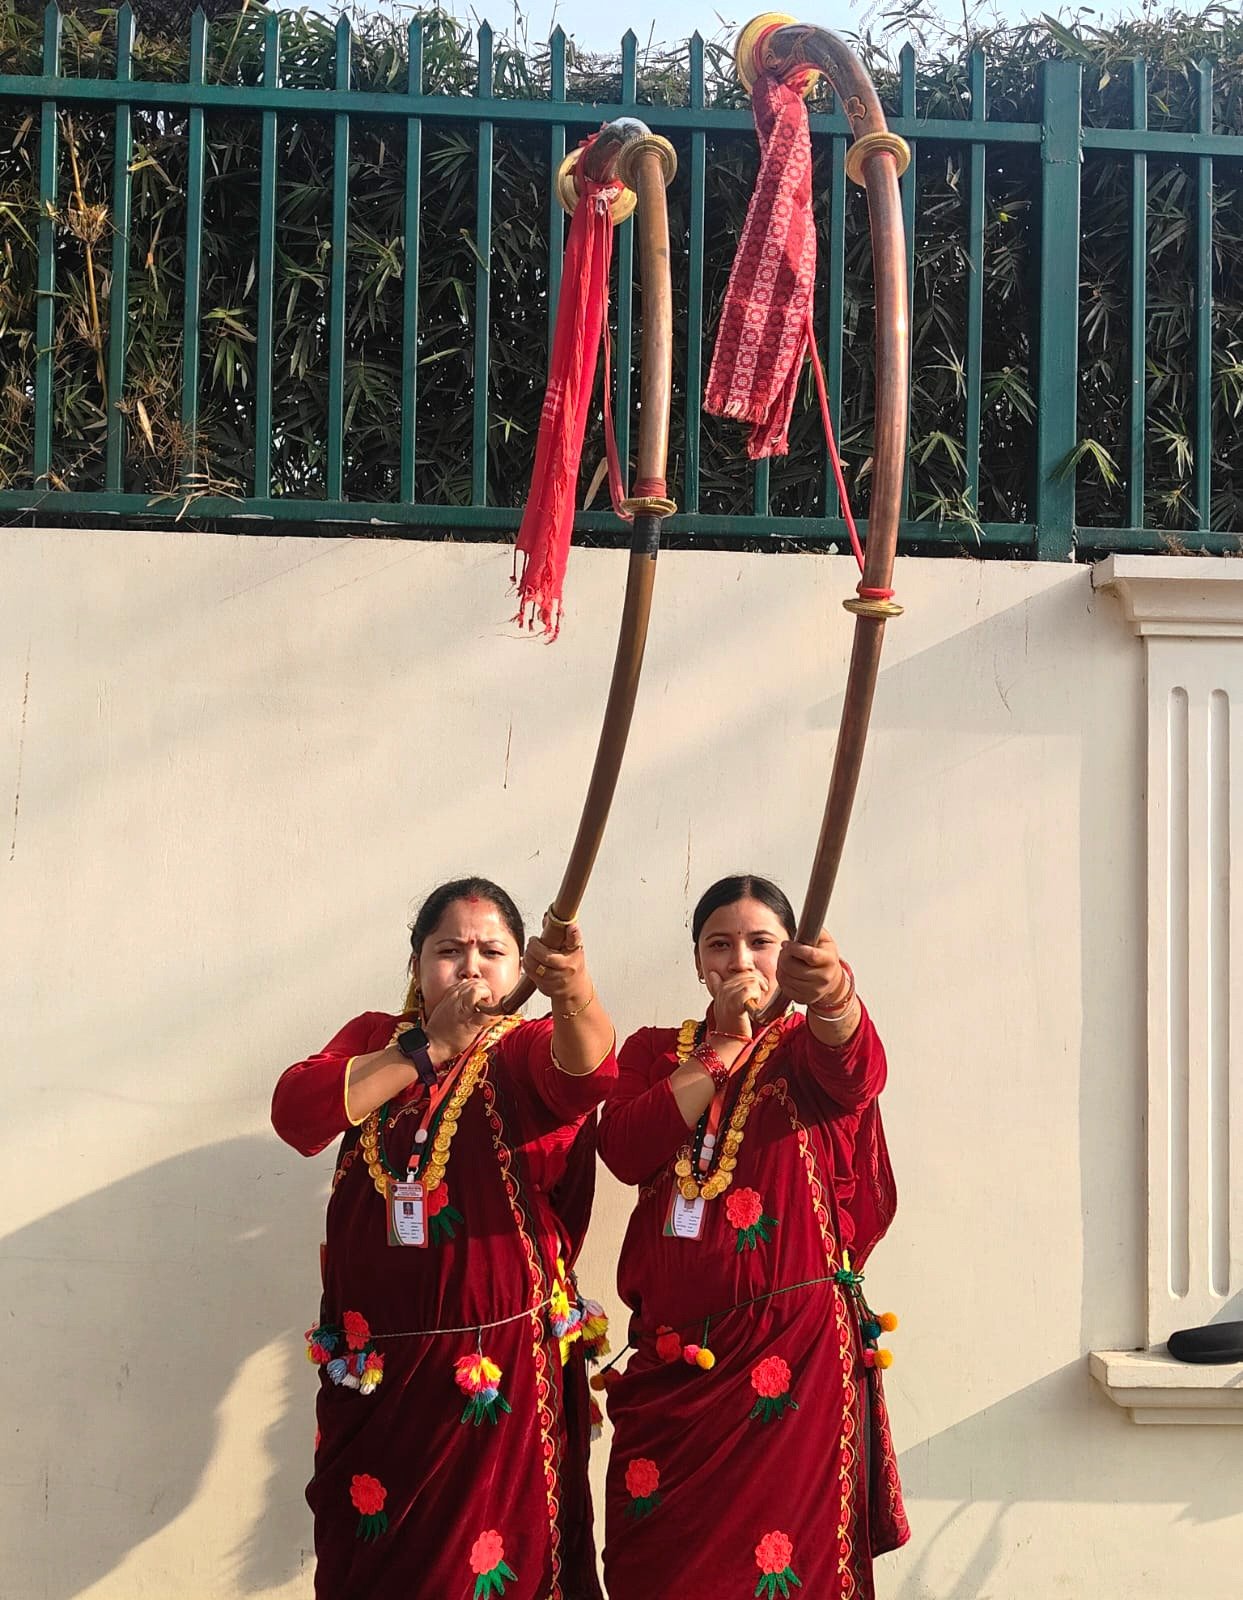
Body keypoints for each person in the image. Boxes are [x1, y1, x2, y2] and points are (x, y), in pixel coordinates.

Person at [272, 877, 616, 1600]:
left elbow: (588, 1072)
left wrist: (575, 991)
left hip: (498, 1372)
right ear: (416, 963)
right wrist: (428, 1046)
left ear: (520, 968)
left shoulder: (522, 1049)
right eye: (449, 950)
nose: (470, 967)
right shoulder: (377, 1040)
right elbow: (296, 1114)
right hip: (377, 1376)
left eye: (492, 951)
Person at [597, 873, 908, 1600]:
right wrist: (719, 1051)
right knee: (656, 1569)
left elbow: (857, 1071)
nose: (740, 960)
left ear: (789, 956)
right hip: (672, 1361)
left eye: (760, 943)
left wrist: (833, 994)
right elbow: (624, 1150)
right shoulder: (653, 1051)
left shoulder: (805, 1046)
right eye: (719, 944)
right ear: (697, 961)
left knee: (784, 1571)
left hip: (790, 1358)